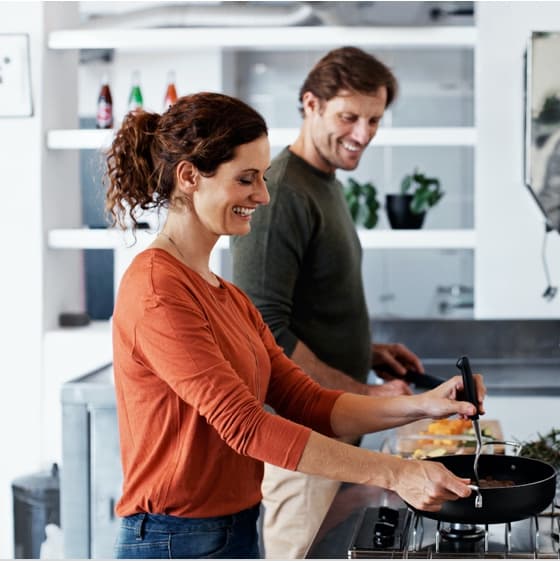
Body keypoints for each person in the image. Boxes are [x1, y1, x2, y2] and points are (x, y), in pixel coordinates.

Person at [105, 91, 485, 560]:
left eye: (262, 178)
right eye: (246, 179)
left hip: (235, 527)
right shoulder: (157, 289)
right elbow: (246, 425)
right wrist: (394, 472)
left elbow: (307, 402)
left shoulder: (227, 295)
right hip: (172, 539)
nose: (263, 196)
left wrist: (426, 406)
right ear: (189, 178)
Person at [230, 46, 428, 558]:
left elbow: (307, 309)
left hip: (331, 435)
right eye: (348, 117)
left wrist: (368, 351)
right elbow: (264, 328)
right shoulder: (280, 194)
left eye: (374, 120)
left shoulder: (323, 184)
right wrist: (364, 394)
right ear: (310, 104)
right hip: (299, 440)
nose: (362, 134)